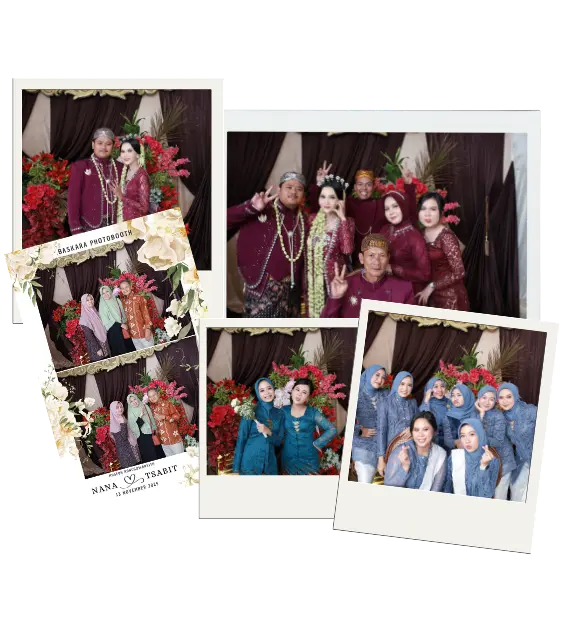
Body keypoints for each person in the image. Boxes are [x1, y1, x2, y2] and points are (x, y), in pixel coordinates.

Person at [228, 172, 308, 317]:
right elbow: (224, 220)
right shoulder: (263, 209)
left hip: (292, 294)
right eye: (289, 187)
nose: (293, 192)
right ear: (279, 190)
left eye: (299, 189)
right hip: (262, 287)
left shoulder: (303, 219)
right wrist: (252, 207)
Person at [321, 234, 415, 318]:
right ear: (361, 258)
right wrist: (335, 298)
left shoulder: (404, 289)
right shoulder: (344, 285)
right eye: (371, 255)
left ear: (388, 259)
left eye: (382, 255)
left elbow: (409, 328)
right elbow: (326, 328)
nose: (376, 262)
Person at [305, 174, 355, 317]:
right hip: (313, 281)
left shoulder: (347, 222)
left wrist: (343, 219)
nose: (326, 202)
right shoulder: (312, 219)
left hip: (335, 281)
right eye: (323, 197)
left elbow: (347, 249)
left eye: (332, 197)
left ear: (340, 200)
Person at [415, 192, 469, 310]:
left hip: (449, 296)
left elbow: (459, 272)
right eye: (423, 209)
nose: (427, 214)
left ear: (441, 212)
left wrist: (432, 286)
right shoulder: (419, 233)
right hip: (427, 295)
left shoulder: (446, 237)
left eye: (433, 209)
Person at [67, 127, 124, 234]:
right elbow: (73, 201)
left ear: (113, 146)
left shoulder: (120, 167)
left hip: (116, 225)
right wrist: (76, 230)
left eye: (108, 144)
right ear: (93, 145)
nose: (103, 147)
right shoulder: (80, 167)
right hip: (88, 227)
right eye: (100, 143)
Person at [379, 187, 431, 295]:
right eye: (387, 209)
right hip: (385, 287)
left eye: (395, 206)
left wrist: (393, 268)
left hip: (408, 292)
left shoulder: (414, 237)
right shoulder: (385, 230)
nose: (391, 212)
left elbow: (424, 274)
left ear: (403, 206)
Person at [281, 379, 337, 475]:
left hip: (309, 460)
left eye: (304, 392)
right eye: (297, 389)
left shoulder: (312, 413)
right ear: (292, 391)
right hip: (288, 460)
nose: (299, 394)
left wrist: (317, 443)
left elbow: (332, 429)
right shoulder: (283, 411)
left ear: (308, 398)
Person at [232, 378, 285, 475]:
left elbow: (279, 442)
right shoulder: (250, 411)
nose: (267, 392)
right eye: (262, 390)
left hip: (270, 465)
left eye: (269, 388)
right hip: (250, 464)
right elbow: (241, 440)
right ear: (258, 393)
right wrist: (236, 469)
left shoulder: (280, 414)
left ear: (274, 389)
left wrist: (268, 431)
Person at [384, 411, 447, 491]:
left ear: (434, 431)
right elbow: (389, 490)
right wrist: (405, 467)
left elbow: (436, 489)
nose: (420, 434)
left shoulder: (440, 454)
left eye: (425, 429)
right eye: (416, 430)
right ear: (411, 433)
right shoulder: (400, 452)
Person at [498, 382, 537, 503]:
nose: (505, 401)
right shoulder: (502, 418)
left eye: (509, 396)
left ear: (515, 396)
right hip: (521, 461)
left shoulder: (530, 411)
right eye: (501, 397)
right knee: (516, 493)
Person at [375, 371, 418, 477]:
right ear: (396, 383)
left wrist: (412, 428)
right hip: (394, 450)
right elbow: (381, 431)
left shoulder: (412, 403)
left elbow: (421, 423)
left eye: (409, 385)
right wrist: (381, 459)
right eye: (402, 384)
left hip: (413, 449)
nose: (405, 388)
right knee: (395, 480)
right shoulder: (385, 403)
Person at [444, 418, 500, 498]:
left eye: (472, 434)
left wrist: (483, 467)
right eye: (463, 436)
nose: (467, 440)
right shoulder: (455, 457)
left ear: (480, 435)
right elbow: (447, 488)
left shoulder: (493, 461)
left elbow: (486, 495)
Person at [352, 365, 390, 483]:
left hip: (385, 449)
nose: (380, 380)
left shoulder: (386, 394)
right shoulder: (357, 395)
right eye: (377, 375)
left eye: (383, 378)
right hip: (364, 448)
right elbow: (349, 421)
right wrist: (360, 430)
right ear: (368, 374)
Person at [111, 137, 151, 222]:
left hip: (136, 224)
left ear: (137, 154)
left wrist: (122, 197)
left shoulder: (141, 176)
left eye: (129, 151)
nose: (125, 155)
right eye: (123, 151)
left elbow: (144, 208)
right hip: (122, 221)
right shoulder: (125, 172)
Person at [98, 285, 136, 356]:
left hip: (124, 329)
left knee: (130, 350)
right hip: (113, 332)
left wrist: (126, 324)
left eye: (107, 291)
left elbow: (123, 313)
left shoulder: (117, 300)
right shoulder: (102, 306)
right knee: (121, 353)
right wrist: (120, 325)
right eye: (103, 293)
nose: (105, 294)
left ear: (110, 291)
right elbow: (106, 321)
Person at [146, 388, 185, 456]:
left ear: (158, 394)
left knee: (181, 460)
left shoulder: (167, 404)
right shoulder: (152, 409)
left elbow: (177, 417)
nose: (152, 398)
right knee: (171, 461)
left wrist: (164, 417)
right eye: (150, 396)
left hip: (174, 439)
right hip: (163, 442)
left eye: (154, 395)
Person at [118, 279, 154, 350]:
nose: (125, 290)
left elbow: (146, 314)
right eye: (122, 288)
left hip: (144, 333)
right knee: (142, 355)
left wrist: (148, 329)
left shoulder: (139, 298)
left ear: (130, 286)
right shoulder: (123, 302)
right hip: (134, 337)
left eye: (126, 287)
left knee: (152, 354)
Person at [442, 384, 477, 451]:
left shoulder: (475, 414)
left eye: (459, 395)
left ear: (466, 396)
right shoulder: (448, 416)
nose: (455, 398)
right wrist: (456, 442)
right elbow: (447, 442)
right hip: (457, 453)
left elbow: (481, 436)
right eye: (453, 395)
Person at [127, 393, 159, 464]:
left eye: (135, 399)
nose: (134, 402)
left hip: (151, 433)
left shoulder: (145, 406)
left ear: (137, 399)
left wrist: (155, 429)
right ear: (129, 403)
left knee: (157, 452)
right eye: (131, 401)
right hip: (142, 437)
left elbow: (152, 418)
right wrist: (141, 415)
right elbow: (135, 427)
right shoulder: (130, 413)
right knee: (149, 456)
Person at [420, 377, 451, 449]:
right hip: (433, 444)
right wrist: (426, 401)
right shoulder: (427, 404)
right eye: (436, 386)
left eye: (442, 386)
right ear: (430, 389)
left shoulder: (449, 402)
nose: (440, 390)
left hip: (450, 442)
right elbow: (423, 421)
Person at [109, 400, 140, 469]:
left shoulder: (122, 417)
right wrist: (122, 423)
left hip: (132, 448)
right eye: (117, 408)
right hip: (125, 453)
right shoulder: (113, 423)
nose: (120, 409)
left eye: (121, 407)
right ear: (113, 410)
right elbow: (123, 437)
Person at [79, 293, 109, 362]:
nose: (90, 301)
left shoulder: (96, 312)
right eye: (87, 300)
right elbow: (89, 336)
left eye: (91, 299)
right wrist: (97, 349)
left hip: (104, 343)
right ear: (83, 302)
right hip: (96, 346)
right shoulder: (84, 319)